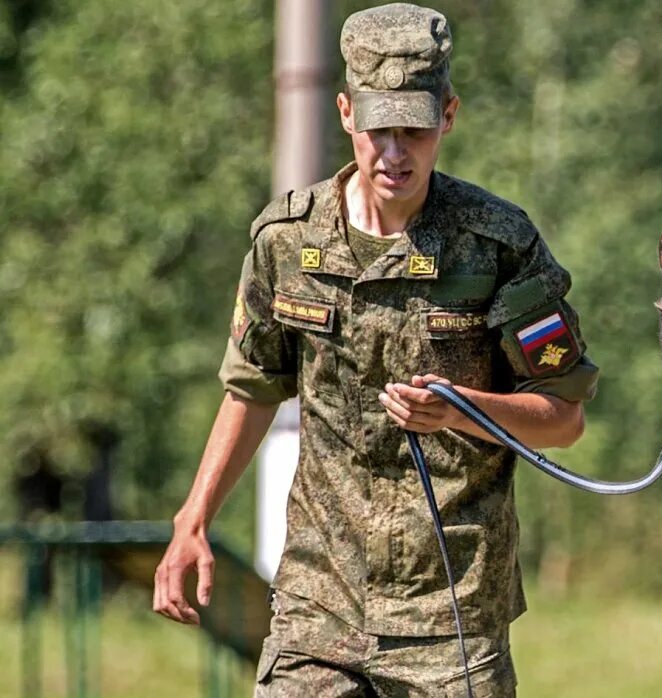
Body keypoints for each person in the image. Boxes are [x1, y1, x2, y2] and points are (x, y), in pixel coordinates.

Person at [151, 4, 598, 695]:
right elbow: (253, 387)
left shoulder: (497, 244)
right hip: (317, 604)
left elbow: (564, 419)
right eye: (379, 129)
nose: (395, 153)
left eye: (414, 130)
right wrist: (193, 520)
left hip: (451, 612)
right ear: (345, 114)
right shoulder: (286, 244)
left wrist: (460, 409)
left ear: (447, 116)